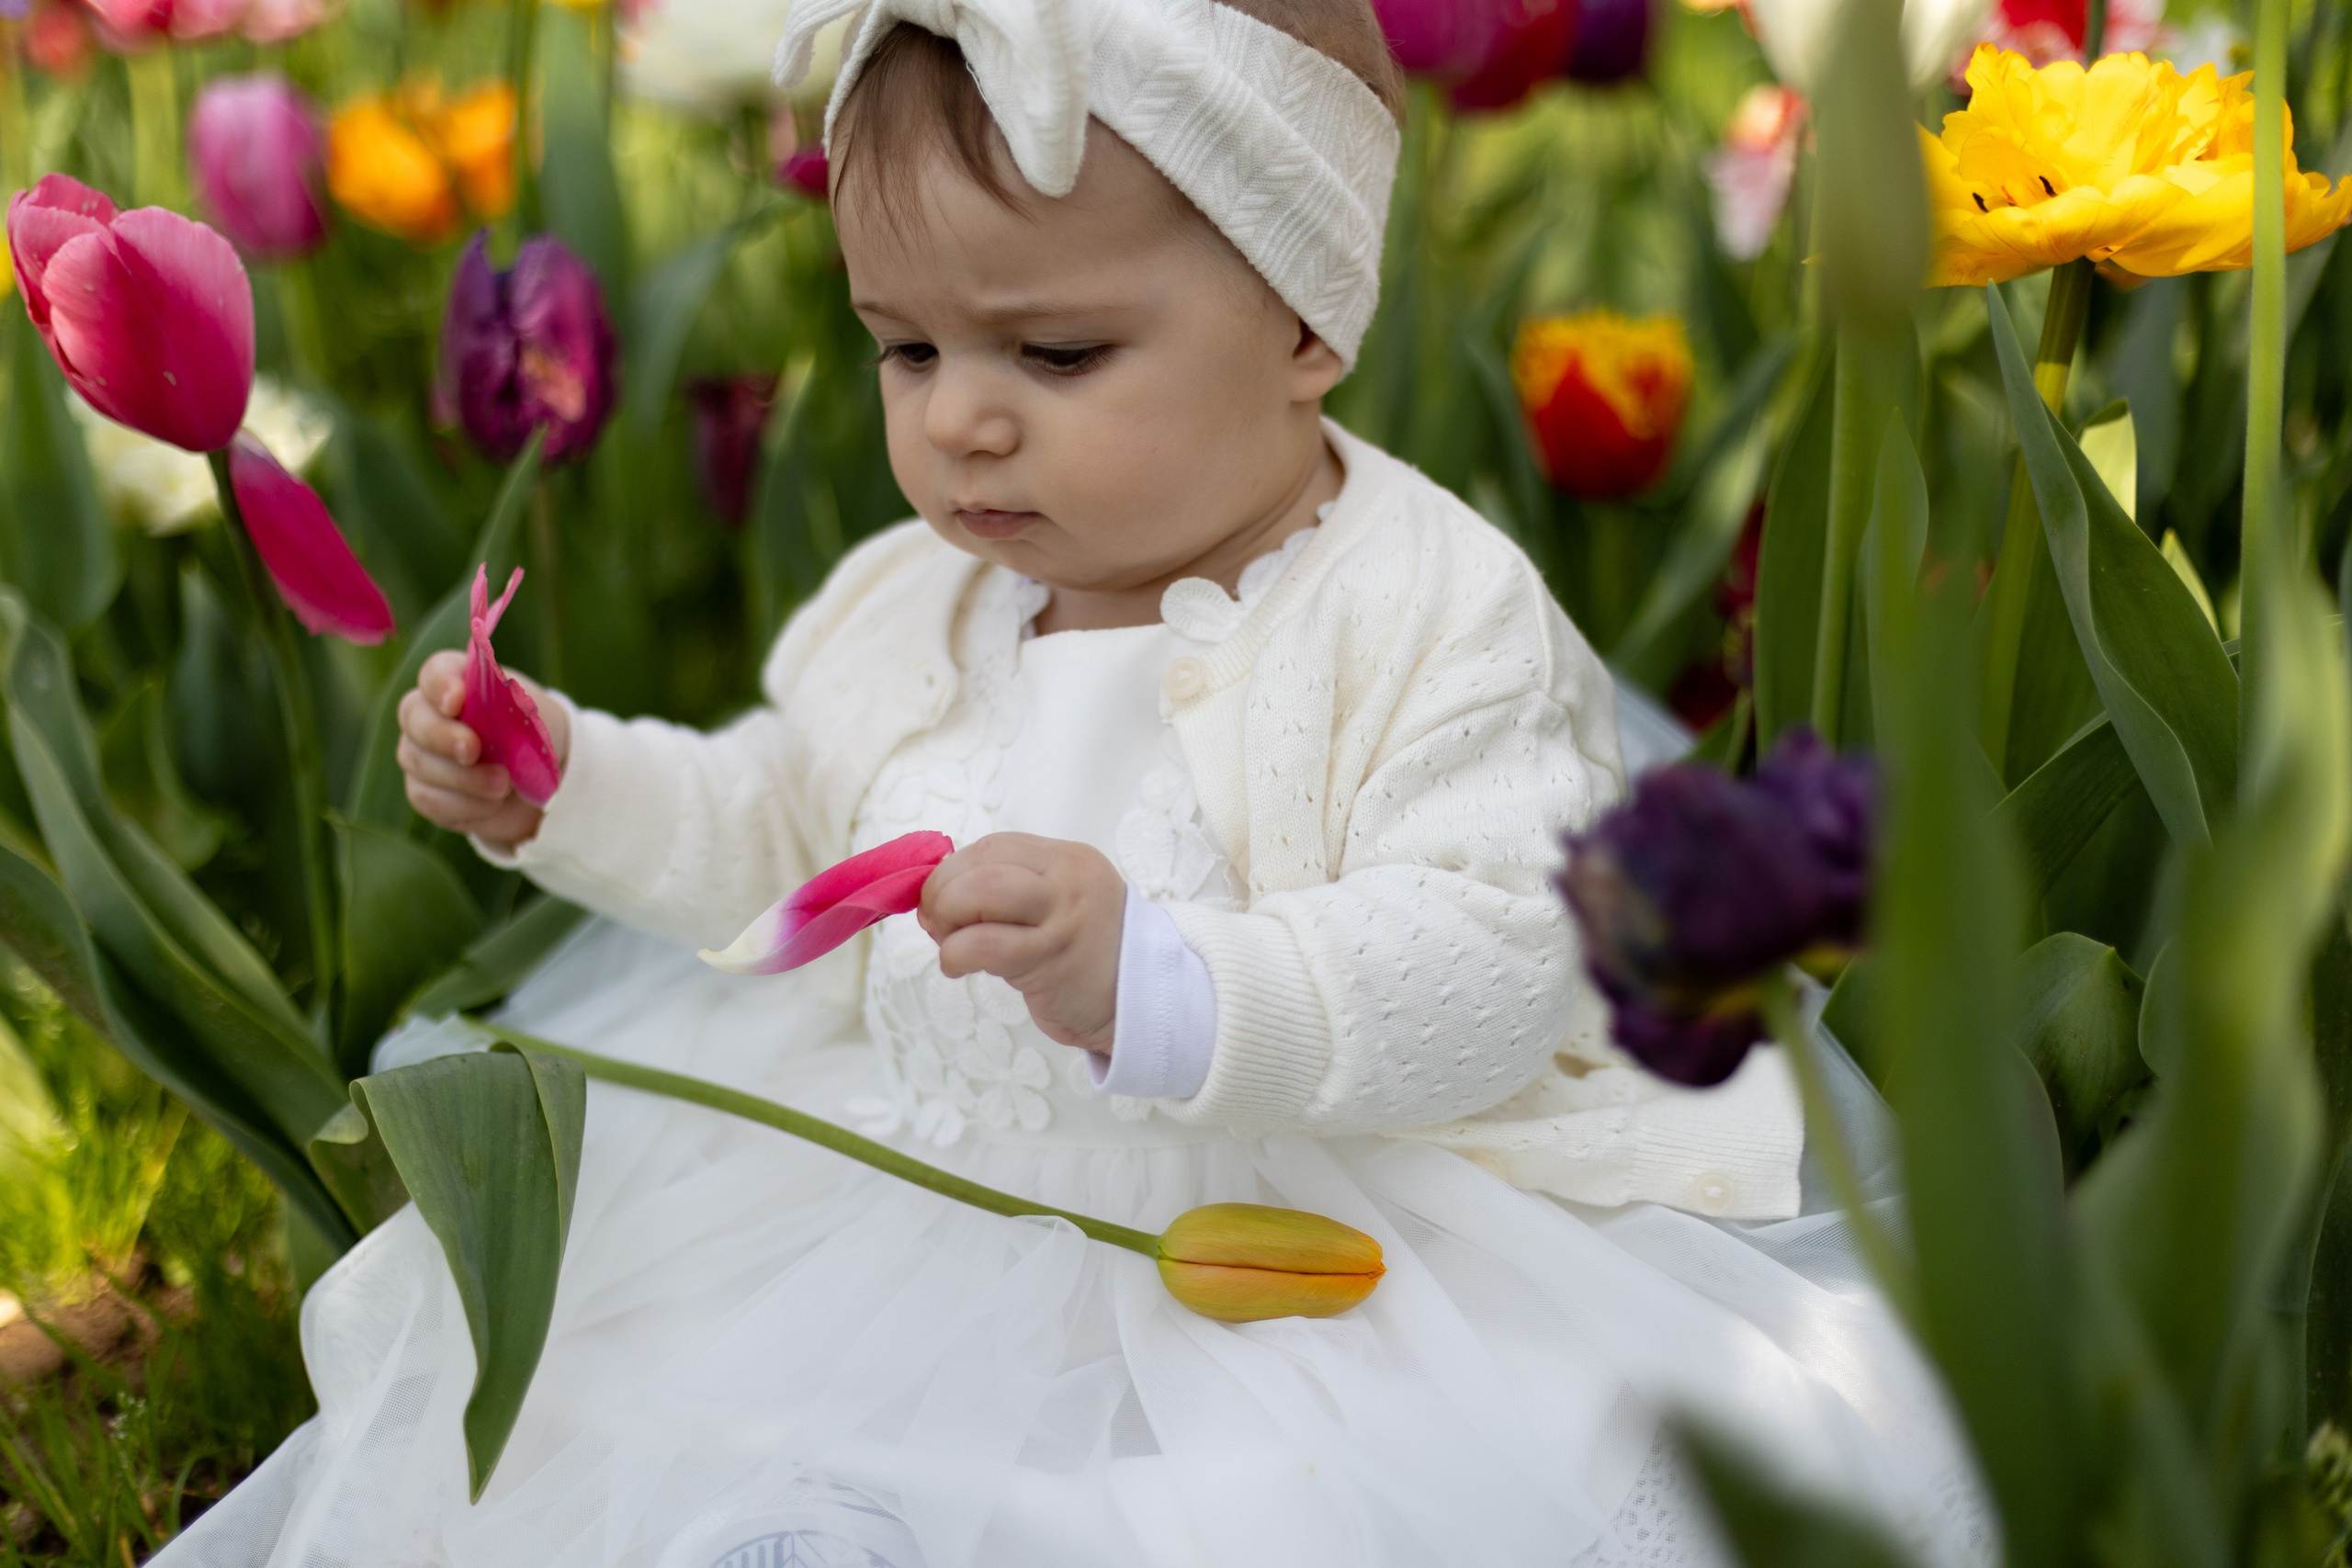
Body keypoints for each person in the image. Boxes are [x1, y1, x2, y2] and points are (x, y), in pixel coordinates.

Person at [158, 0, 1989, 1562]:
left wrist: (1167, 976)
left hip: (1306, 1219)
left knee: (1266, 1502)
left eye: (1050, 349)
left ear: (1300, 326)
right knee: (701, 1430)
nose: (957, 412)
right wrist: (565, 780)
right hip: (905, 1176)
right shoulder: (916, 600)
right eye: (905, 345)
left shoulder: (1422, 613)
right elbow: (779, 836)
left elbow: (1501, 952)